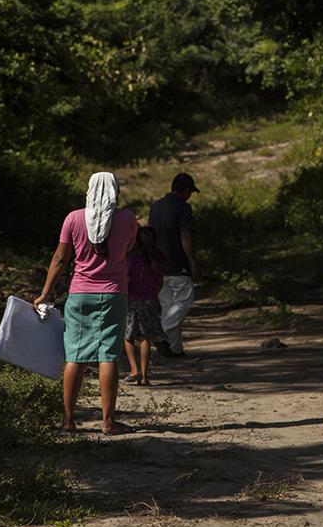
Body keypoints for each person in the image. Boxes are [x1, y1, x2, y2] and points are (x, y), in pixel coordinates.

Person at [33, 171, 138, 434]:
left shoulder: (73, 218)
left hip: (80, 295)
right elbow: (127, 248)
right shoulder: (127, 219)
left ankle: (68, 422)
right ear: (115, 191)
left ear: (89, 190)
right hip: (114, 294)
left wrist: (45, 292)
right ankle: (108, 422)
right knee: (108, 355)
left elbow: (59, 259)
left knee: (75, 357)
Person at [149, 172, 202, 357]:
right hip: (177, 263)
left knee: (168, 305)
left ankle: (174, 349)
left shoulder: (155, 206)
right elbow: (185, 237)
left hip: (158, 264)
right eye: (190, 191)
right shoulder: (183, 207)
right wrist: (192, 262)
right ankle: (159, 334)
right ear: (186, 189)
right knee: (183, 303)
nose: (190, 195)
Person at [123, 226, 166, 386]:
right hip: (150, 299)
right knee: (145, 337)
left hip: (133, 299)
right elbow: (160, 281)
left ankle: (134, 369)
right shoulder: (158, 257)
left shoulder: (132, 258)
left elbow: (126, 278)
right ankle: (145, 376)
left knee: (128, 336)